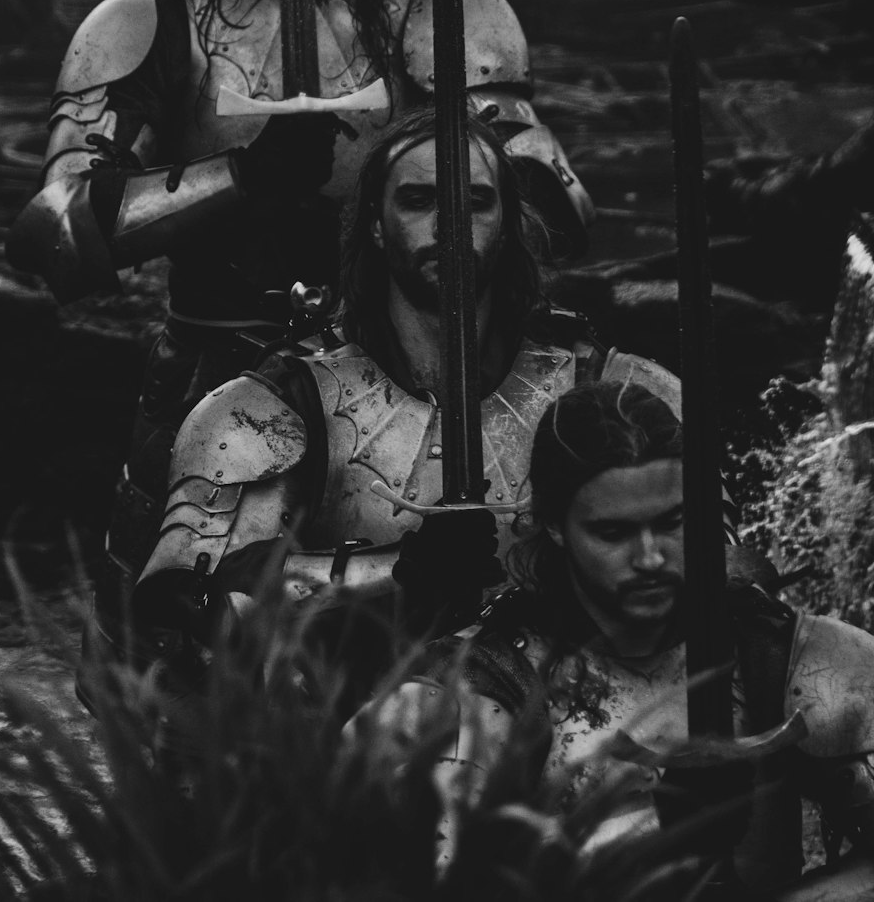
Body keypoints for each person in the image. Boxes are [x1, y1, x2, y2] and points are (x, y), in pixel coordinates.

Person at [4, 0, 594, 659]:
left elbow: (553, 201)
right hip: (216, 365)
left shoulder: (438, 8)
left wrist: (471, 166)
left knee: (450, 637)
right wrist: (242, 177)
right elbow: (54, 233)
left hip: (404, 363)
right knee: (178, 654)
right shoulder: (143, 26)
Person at [131, 108, 678, 663]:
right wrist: (396, 572)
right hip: (351, 725)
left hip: (565, 715)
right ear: (374, 222)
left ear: (508, 221)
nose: (450, 226)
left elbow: (725, 570)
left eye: (477, 203)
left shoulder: (614, 386)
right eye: (419, 202)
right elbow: (185, 599)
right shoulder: (270, 410)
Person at [369, 380, 874, 894]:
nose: (650, 558)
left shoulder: (778, 655)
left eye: (673, 522)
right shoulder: (479, 690)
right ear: (555, 526)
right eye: (614, 533)